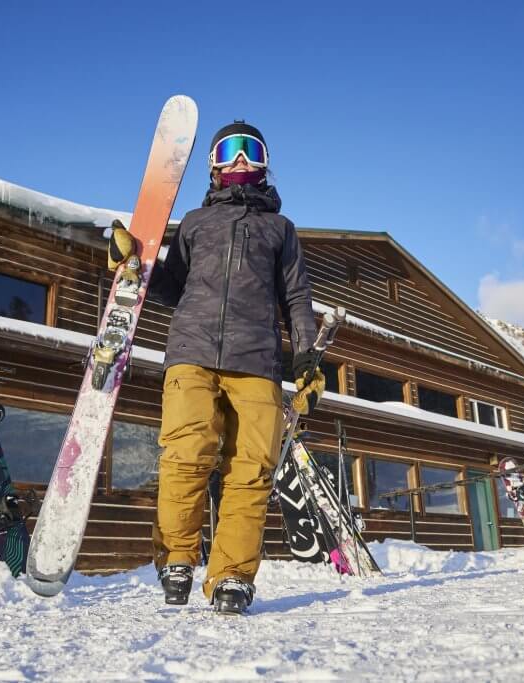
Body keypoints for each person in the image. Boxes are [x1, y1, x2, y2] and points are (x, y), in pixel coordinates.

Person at [108, 121, 325, 615]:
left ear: (266, 162)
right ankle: (178, 558)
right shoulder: (194, 224)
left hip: (259, 361)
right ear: (214, 164)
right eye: (231, 150)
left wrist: (308, 359)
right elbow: (170, 288)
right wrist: (134, 266)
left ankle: (231, 575)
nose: (242, 159)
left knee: (251, 471)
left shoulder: (281, 230)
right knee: (186, 455)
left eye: (252, 149)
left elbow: (297, 298)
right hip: (192, 352)